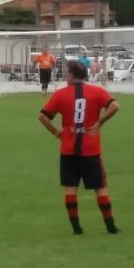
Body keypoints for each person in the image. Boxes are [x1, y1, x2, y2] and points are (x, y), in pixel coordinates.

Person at [38, 60, 121, 235]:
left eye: (66, 73)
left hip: (68, 149)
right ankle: (111, 227)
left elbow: (42, 116)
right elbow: (115, 105)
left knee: (70, 187)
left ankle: (76, 227)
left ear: (71, 75)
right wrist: (99, 122)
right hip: (91, 149)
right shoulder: (97, 92)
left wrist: (56, 132)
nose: (65, 76)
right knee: (101, 187)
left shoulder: (60, 94)